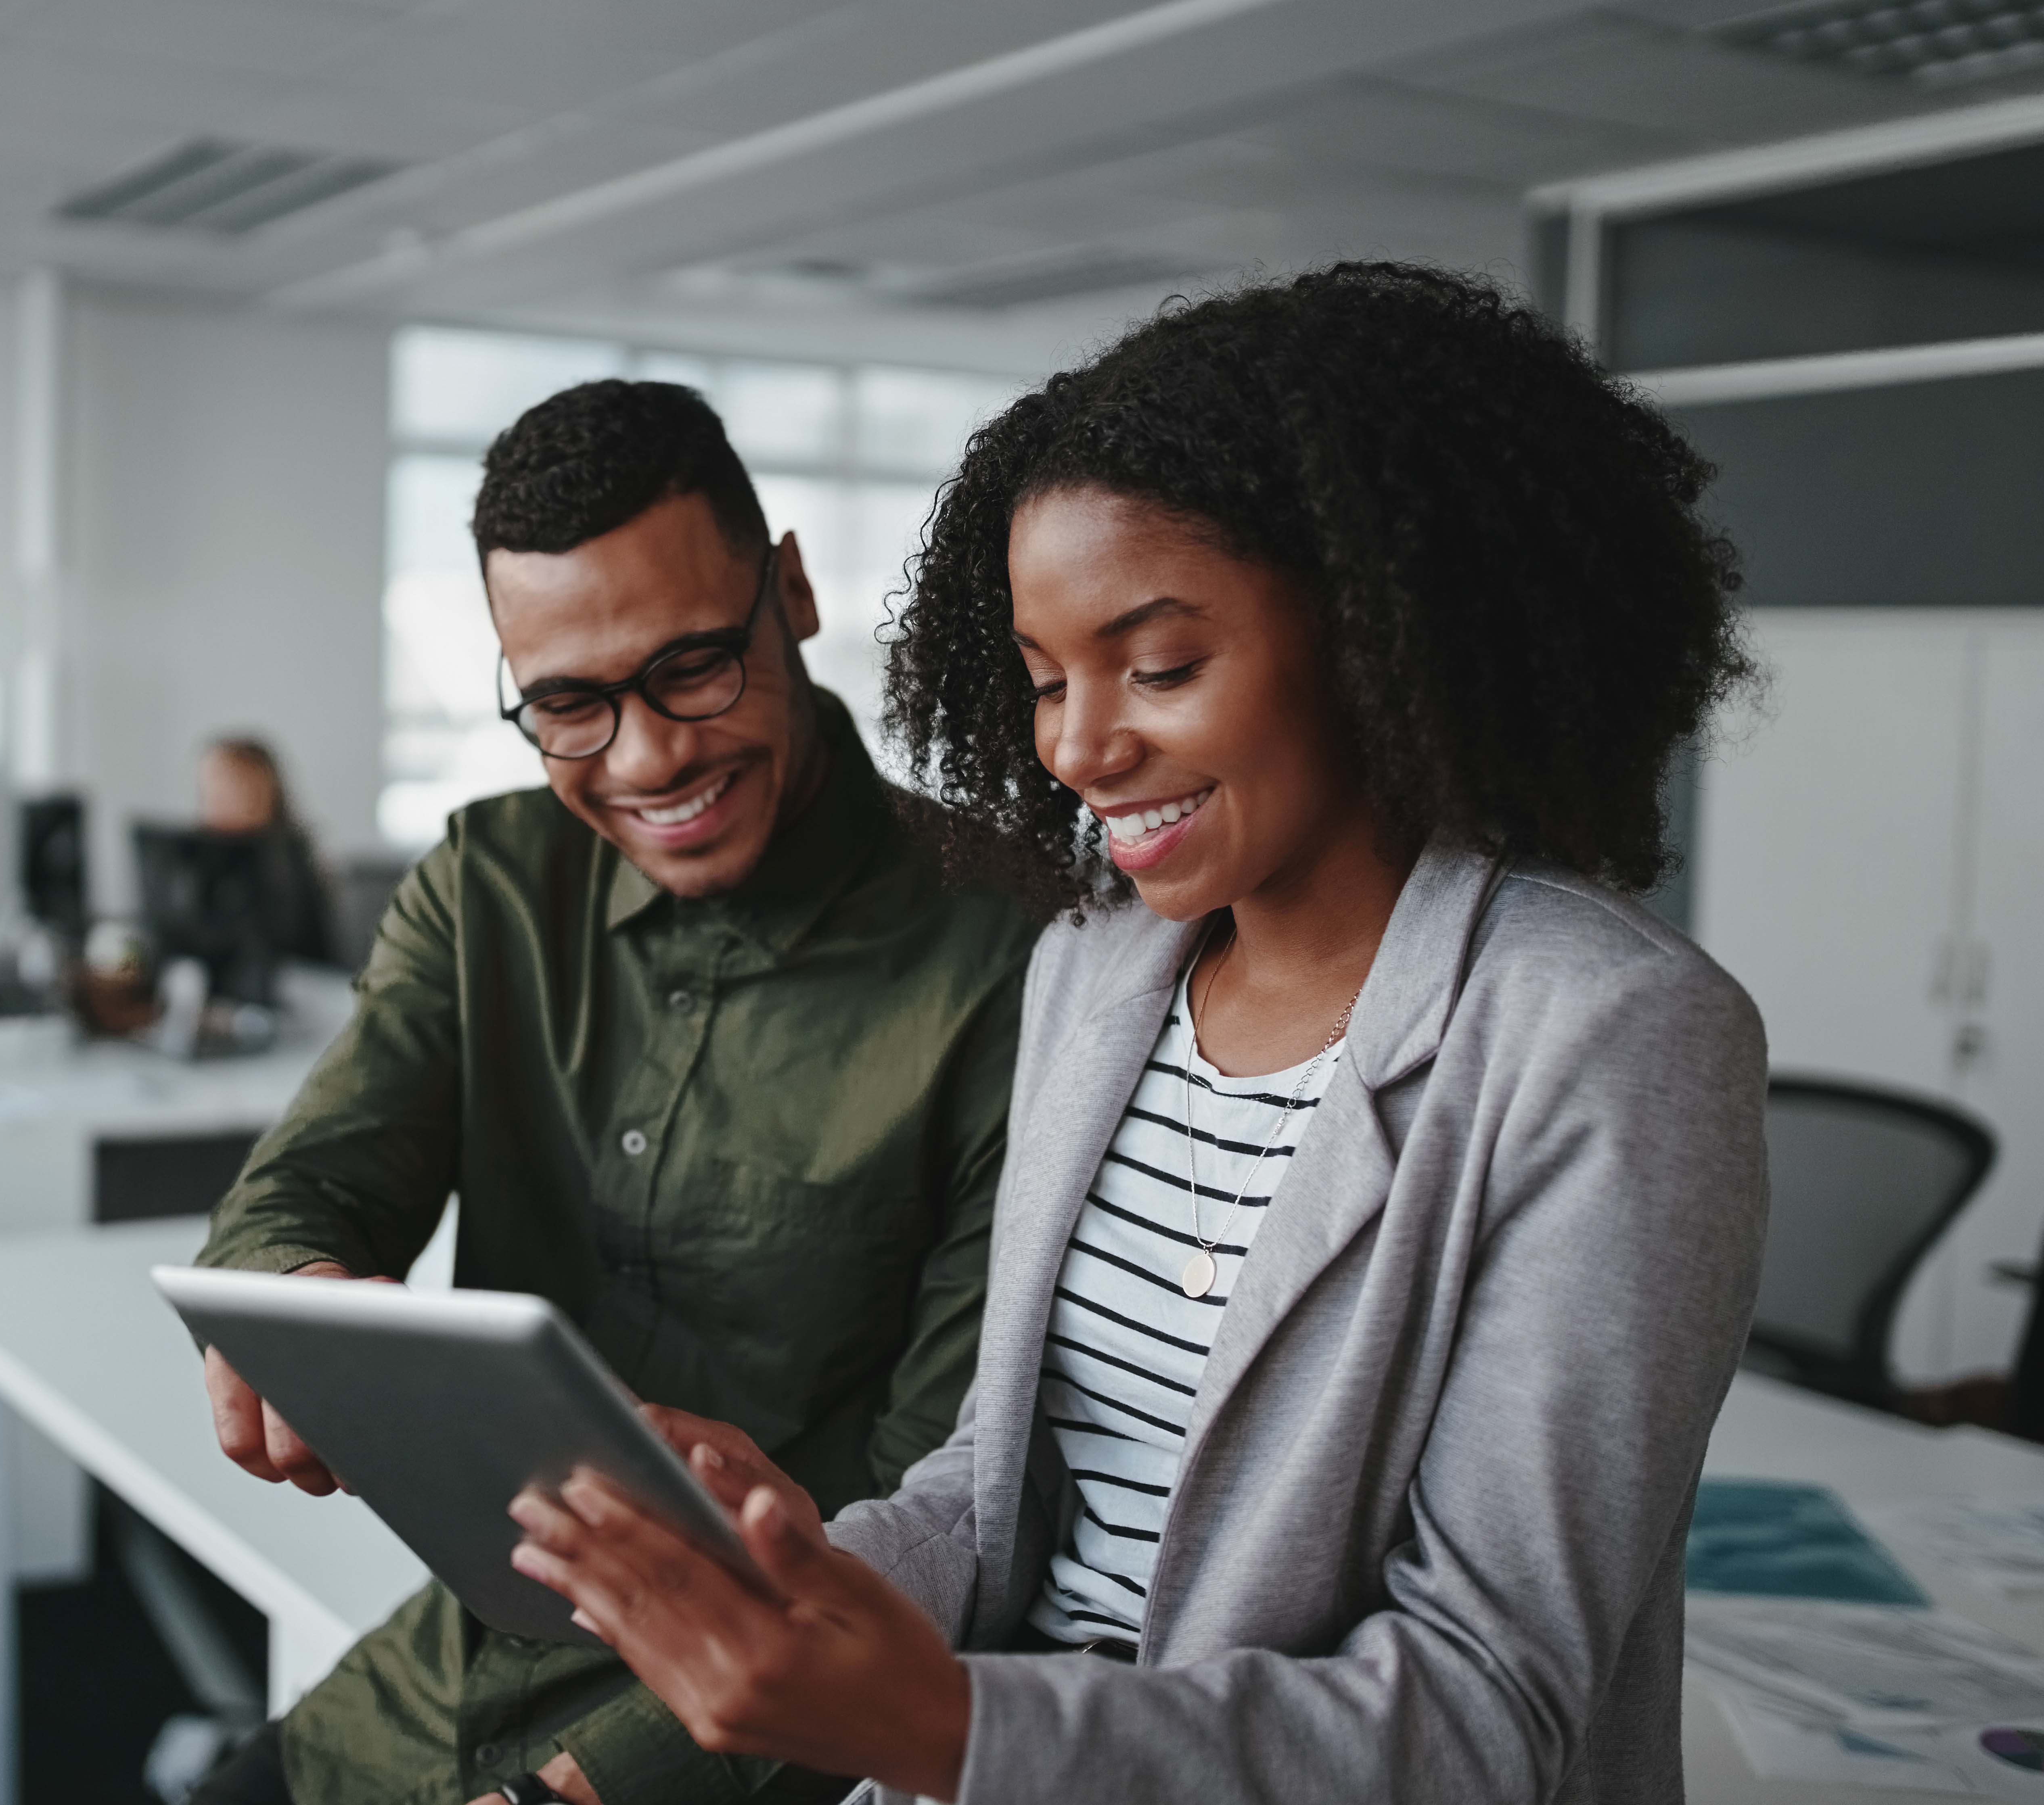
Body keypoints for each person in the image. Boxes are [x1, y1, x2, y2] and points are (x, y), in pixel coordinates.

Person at [506, 264, 1769, 1805]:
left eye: (1159, 664)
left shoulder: (1608, 1035)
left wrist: (956, 1730)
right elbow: (991, 1491)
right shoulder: (1095, 970)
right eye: (1043, 680)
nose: (1079, 746)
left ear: (1375, 628)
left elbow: (1487, 1711)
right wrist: (789, 1574)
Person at [189, 379, 1037, 1805]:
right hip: (444, 1676)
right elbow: (305, 1185)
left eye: (697, 666)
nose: (649, 759)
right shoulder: (490, 883)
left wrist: (583, 1789)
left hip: (737, 1742)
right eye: (571, 705)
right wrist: (291, 1295)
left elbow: (944, 1502)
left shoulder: (1013, 956)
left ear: (793, 591)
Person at [197, 735, 338, 967]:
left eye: (226, 788)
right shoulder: (203, 860)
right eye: (208, 791)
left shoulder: (288, 863)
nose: (213, 803)